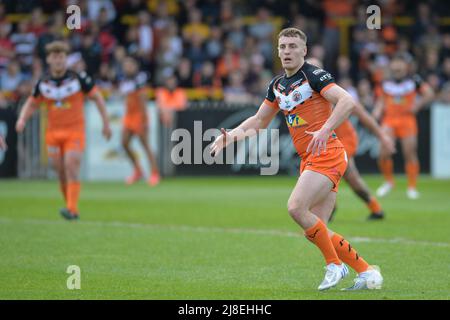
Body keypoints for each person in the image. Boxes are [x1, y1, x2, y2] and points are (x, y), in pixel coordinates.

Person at [211, 28, 383, 291]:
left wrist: (325, 129)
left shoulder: (313, 75)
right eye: (282, 47)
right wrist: (229, 137)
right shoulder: (277, 85)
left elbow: (346, 101)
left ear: (304, 50)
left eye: (293, 46)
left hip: (327, 154)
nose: (287, 51)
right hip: (311, 159)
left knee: (295, 208)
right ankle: (367, 272)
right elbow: (259, 121)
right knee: (316, 230)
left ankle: (334, 265)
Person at [15, 41, 112, 220]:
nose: (58, 60)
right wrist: (22, 119)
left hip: (74, 131)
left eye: (61, 56)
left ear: (66, 59)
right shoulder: (43, 82)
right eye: (55, 56)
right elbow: (32, 102)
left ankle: (72, 209)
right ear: (48, 59)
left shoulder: (78, 78)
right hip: (52, 133)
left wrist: (106, 122)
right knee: (59, 170)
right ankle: (69, 204)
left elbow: (97, 98)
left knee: (71, 165)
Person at [307, 57, 396, 220]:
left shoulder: (332, 91)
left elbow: (362, 114)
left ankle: (368, 209)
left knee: (347, 176)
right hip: (324, 141)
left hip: (343, 139)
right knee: (330, 176)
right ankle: (369, 209)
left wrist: (382, 135)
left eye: (314, 68)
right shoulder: (302, 95)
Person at [373, 53, 434, 199]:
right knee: (383, 152)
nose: (397, 65)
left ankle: (412, 187)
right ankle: (388, 182)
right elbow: (381, 100)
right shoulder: (385, 81)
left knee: (409, 153)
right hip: (389, 119)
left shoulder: (414, 80)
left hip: (407, 119)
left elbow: (429, 93)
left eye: (400, 62)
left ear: (406, 65)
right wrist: (376, 112)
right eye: (395, 62)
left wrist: (417, 106)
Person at [120, 56, 160, 186]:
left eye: (130, 65)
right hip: (129, 115)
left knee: (145, 145)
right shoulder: (125, 80)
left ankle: (154, 173)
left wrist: (144, 120)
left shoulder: (139, 80)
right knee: (124, 143)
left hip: (139, 115)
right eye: (125, 65)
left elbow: (143, 99)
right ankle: (138, 171)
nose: (127, 67)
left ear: (135, 66)